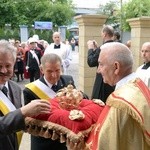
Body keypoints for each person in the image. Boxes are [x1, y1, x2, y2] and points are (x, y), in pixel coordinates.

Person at [84, 42, 150, 150]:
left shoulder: (119, 103)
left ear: (116, 67)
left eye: (101, 64)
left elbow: (105, 145)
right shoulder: (139, 85)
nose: (98, 70)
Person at [0, 39, 50, 150]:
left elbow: (15, 121)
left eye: (8, 66)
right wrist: (23, 112)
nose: (4, 70)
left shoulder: (16, 88)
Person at [23, 53, 76, 150]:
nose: (54, 75)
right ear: (42, 69)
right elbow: (29, 123)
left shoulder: (68, 81)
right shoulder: (30, 90)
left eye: (57, 70)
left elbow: (77, 104)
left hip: (64, 139)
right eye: (49, 71)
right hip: (43, 141)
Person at [87, 25, 115, 103]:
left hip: (102, 81)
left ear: (105, 34)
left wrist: (90, 49)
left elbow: (91, 62)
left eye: (102, 33)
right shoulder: (117, 47)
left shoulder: (102, 48)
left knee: (99, 104)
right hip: (114, 81)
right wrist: (96, 49)